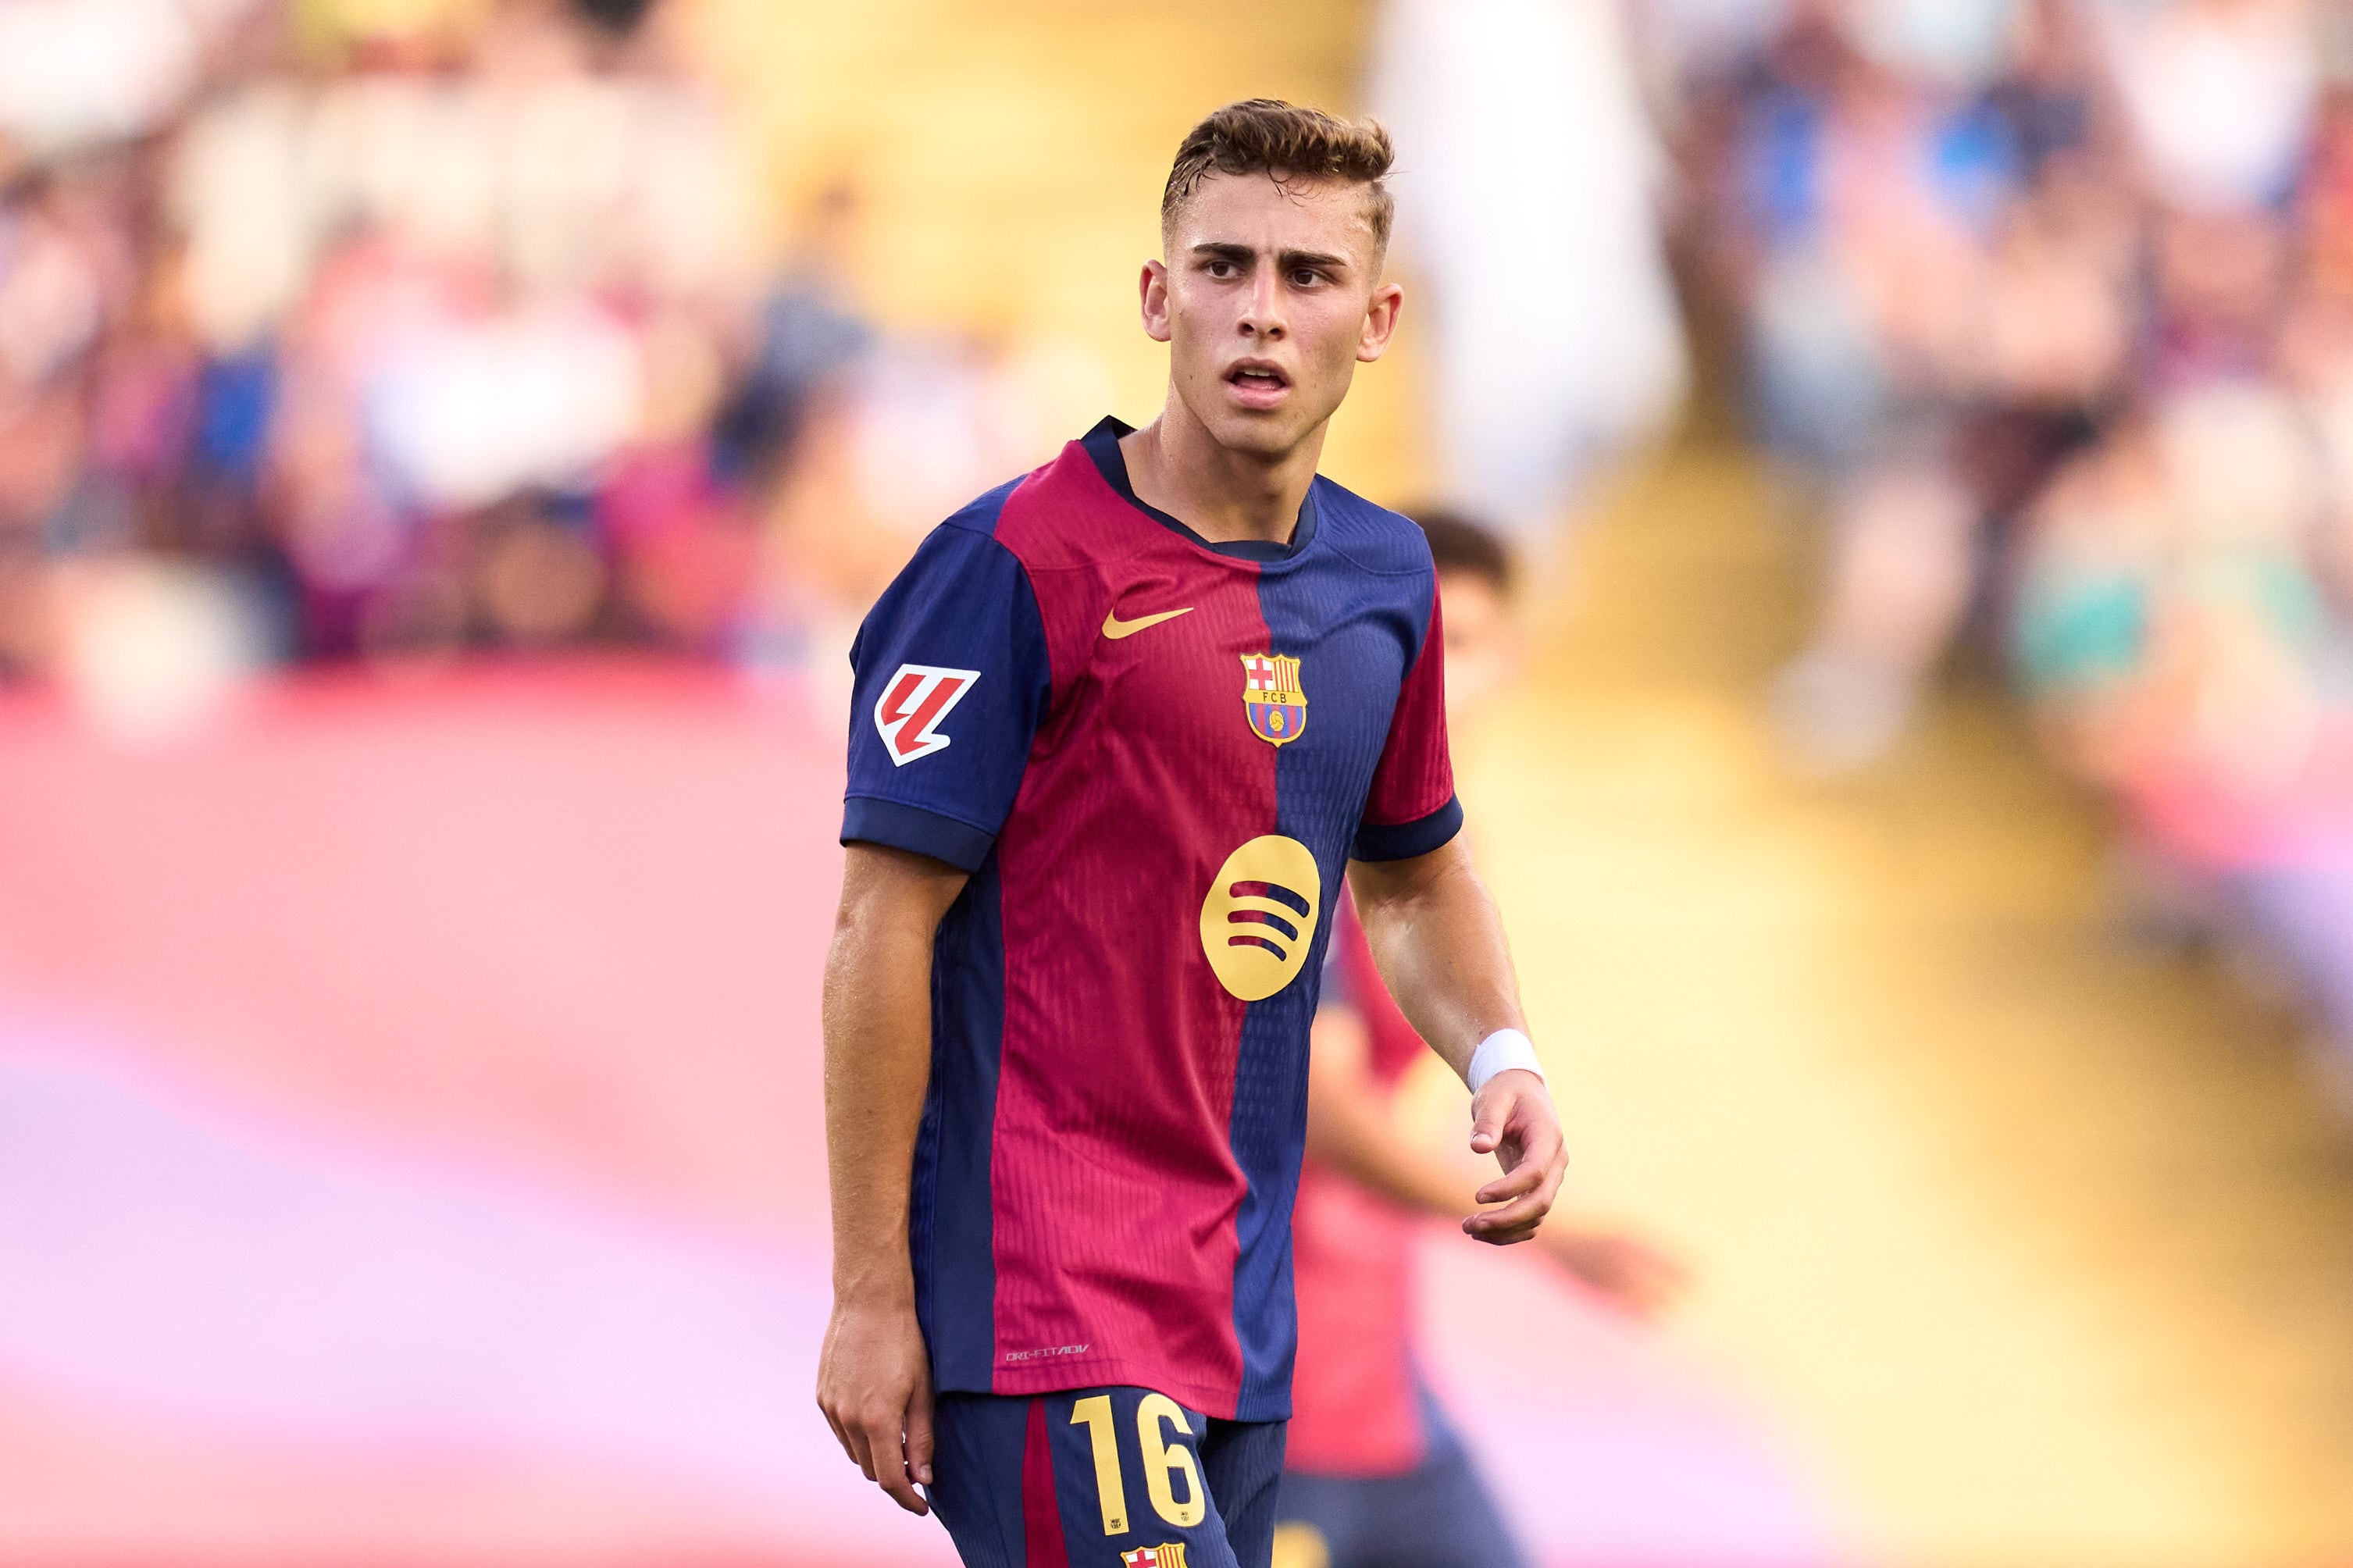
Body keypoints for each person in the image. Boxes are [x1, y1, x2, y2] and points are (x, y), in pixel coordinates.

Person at [815, 100, 1571, 1568]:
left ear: (1378, 317)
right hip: (1040, 1303)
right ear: (1157, 297)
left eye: (1307, 277)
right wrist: (868, 1293)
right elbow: (877, 927)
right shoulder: (1011, 565)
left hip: (1235, 1314)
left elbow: (1413, 879)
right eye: (1222, 267)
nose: (1260, 314)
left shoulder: (1382, 577)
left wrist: (1501, 1055)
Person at [1272, 514, 1685, 1568]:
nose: (1426, 679)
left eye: (1456, 647)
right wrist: (1551, 1231)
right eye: (1399, 644)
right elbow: (1318, 1112)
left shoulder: (1428, 845)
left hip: (1372, 1389)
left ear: (1515, 663)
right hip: (1260, 1384)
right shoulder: (1292, 835)